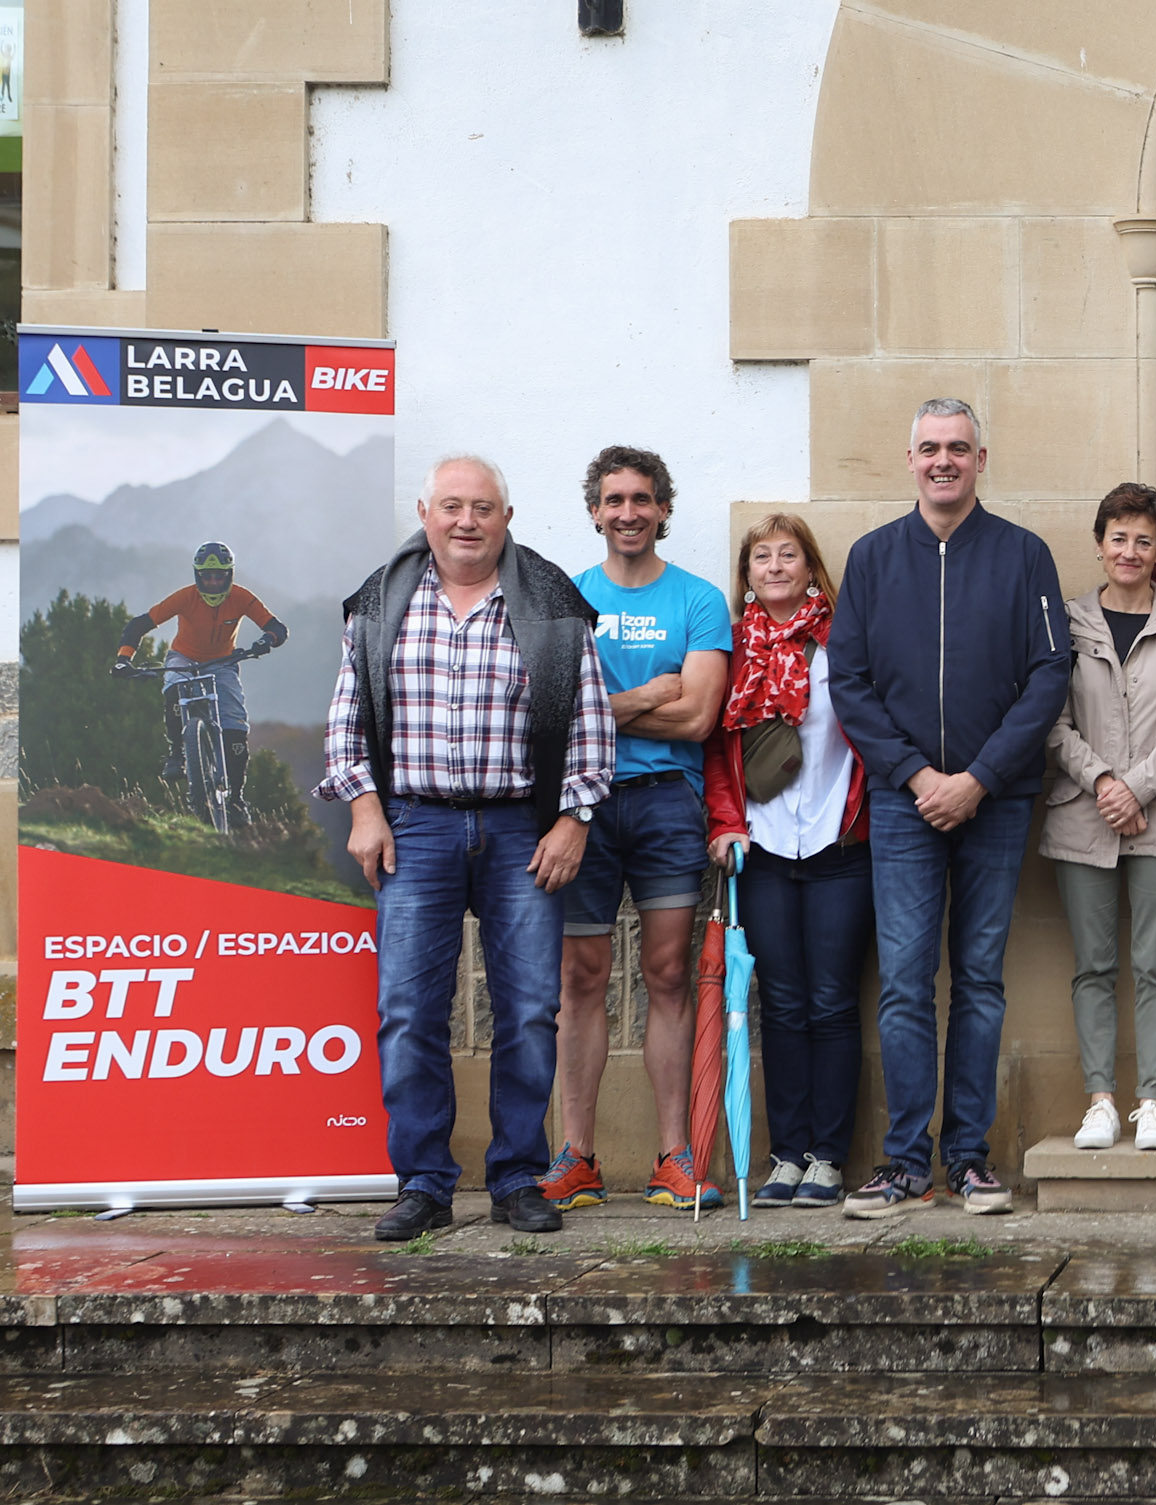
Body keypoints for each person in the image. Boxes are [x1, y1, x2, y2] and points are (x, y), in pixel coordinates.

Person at [319, 455, 615, 1243]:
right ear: (425, 511)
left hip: (523, 827)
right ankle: (423, 1181)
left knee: (528, 1010)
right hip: (414, 826)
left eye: (483, 506)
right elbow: (346, 722)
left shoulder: (551, 602)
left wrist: (573, 819)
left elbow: (592, 723)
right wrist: (365, 810)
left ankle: (518, 1176)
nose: (467, 520)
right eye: (452, 505)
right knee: (409, 1010)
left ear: (506, 517)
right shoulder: (381, 602)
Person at [828, 398, 1074, 1218]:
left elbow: (1049, 675)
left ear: (980, 459)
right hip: (903, 806)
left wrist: (977, 777)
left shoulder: (1024, 555)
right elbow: (849, 682)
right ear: (909, 460)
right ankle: (903, 1161)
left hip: (995, 802)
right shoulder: (871, 559)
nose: (944, 461)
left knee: (978, 980)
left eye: (958, 448)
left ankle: (968, 1157)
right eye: (930, 448)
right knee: (902, 982)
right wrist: (915, 776)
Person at [543, 447, 734, 1212]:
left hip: (665, 802)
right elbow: (549, 717)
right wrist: (649, 691)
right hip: (581, 805)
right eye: (614, 499)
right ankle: (577, 1157)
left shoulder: (699, 599)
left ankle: (673, 1157)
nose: (628, 512)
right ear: (594, 509)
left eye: (643, 499)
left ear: (663, 509)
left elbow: (697, 715)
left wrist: (602, 704)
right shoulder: (564, 598)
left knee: (666, 976)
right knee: (580, 980)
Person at [1046, 484, 1156, 1155]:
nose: (1130, 550)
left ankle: (1151, 1101)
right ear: (1099, 543)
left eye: (1143, 539)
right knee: (1092, 964)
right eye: (1118, 537)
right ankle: (1100, 1102)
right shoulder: (1066, 622)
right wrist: (1102, 781)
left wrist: (1137, 788)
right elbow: (1051, 722)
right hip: (1082, 811)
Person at [705, 513, 871, 1210]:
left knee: (833, 1002)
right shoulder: (734, 649)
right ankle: (786, 1154)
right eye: (761, 557)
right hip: (764, 848)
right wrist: (725, 822)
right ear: (746, 574)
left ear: (810, 565)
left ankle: (829, 1157)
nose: (774, 566)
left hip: (839, 843)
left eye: (788, 554)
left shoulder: (845, 640)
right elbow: (715, 747)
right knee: (779, 1004)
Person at [115, 540, 289, 825]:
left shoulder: (242, 597)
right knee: (173, 688)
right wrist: (123, 659)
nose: (212, 582)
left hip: (223, 663)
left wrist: (265, 641)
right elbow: (139, 625)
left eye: (219, 575)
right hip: (183, 656)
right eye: (206, 576)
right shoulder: (184, 597)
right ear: (197, 576)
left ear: (229, 575)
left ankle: (235, 799)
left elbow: (277, 627)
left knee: (235, 729)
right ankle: (176, 754)